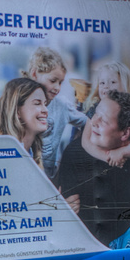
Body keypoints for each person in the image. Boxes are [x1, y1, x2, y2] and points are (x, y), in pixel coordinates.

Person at [54, 91, 130, 247]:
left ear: (126, 133)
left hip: (126, 244)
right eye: (95, 114)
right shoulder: (73, 153)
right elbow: (67, 211)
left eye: (103, 120)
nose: (93, 122)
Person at [21, 46, 87, 177]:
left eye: (60, 82)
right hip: (25, 175)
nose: (57, 88)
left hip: (51, 178)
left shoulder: (62, 106)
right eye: (53, 81)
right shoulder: (19, 103)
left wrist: (78, 146)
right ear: (34, 74)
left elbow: (88, 122)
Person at [0, 76, 51, 159]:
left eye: (45, 104)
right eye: (37, 103)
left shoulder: (34, 152)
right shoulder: (1, 152)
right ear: (17, 111)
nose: (45, 110)